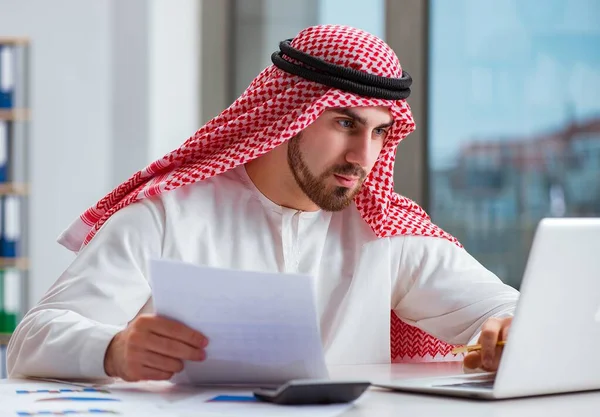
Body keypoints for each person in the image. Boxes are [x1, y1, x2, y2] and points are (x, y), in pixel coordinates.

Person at [7, 24, 518, 382]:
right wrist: (113, 350)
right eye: (344, 123)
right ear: (290, 115)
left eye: (380, 132)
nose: (363, 156)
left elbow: (508, 311)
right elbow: (34, 337)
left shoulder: (384, 231)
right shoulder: (167, 217)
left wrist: (510, 327)